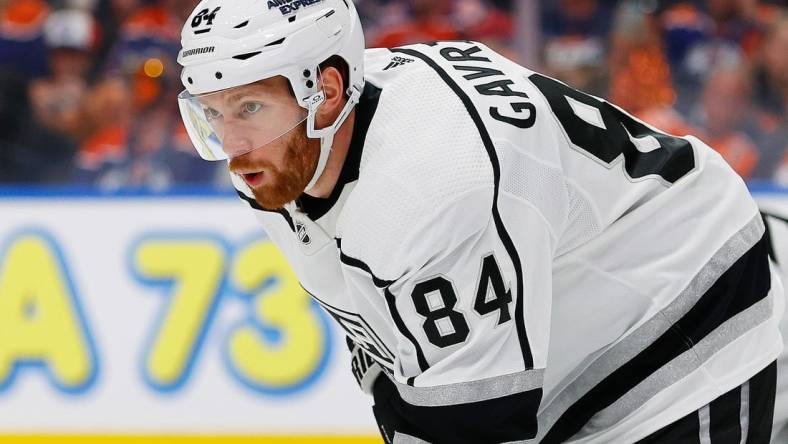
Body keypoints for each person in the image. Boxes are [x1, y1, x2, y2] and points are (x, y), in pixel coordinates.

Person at [176, 0, 783, 442]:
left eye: (249, 106)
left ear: (326, 91)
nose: (229, 144)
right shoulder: (283, 159)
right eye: (211, 113)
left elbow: (478, 422)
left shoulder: (427, 183)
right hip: (582, 331)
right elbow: (389, 355)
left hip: (688, 310)